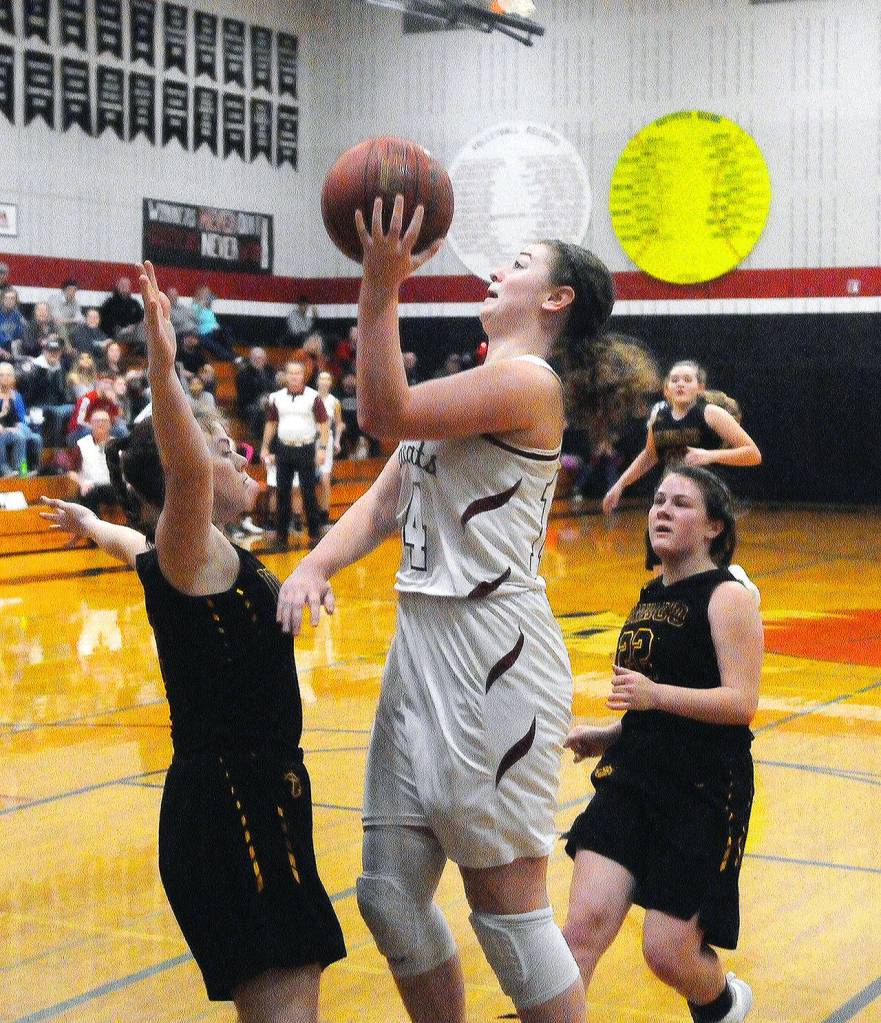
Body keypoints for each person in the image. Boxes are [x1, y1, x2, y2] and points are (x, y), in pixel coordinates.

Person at [275, 197, 656, 1023]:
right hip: (422, 647)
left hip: (494, 658)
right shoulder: (475, 386)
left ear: (556, 300)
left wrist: (380, 287)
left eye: (520, 261)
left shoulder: (526, 382)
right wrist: (314, 561)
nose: (499, 268)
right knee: (389, 897)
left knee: (509, 918)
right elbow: (384, 500)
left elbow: (384, 412)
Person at [39, 261, 345, 1020]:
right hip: (233, 801)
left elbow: (127, 538)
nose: (236, 453)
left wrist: (91, 523)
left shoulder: (176, 554)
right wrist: (164, 368)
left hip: (247, 797)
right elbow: (180, 473)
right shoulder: (192, 550)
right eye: (218, 446)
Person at [562, 466, 761, 1023]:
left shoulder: (728, 596)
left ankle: (722, 1005)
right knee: (577, 934)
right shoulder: (650, 596)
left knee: (667, 951)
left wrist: (653, 695)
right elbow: (652, 704)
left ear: (715, 527)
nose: (662, 512)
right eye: (657, 502)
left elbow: (740, 703)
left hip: (702, 789)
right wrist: (610, 735)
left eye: (681, 504)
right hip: (631, 781)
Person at [603, 360, 761, 515]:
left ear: (700, 388)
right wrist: (620, 485)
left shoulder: (711, 413)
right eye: (674, 380)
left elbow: (753, 454)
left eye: (687, 380)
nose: (680, 384)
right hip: (673, 496)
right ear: (666, 389)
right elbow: (649, 455)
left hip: (708, 497)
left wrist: (710, 455)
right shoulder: (659, 418)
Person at [260, 360, 329, 550]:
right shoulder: (276, 397)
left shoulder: (314, 397)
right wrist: (265, 446)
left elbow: (323, 424)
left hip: (306, 449)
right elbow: (271, 423)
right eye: (291, 373)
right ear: (286, 375)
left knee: (308, 493)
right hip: (283, 449)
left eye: (298, 373)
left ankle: (315, 535)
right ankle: (281, 537)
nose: (294, 376)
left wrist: (322, 448)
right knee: (282, 493)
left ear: (303, 375)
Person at [66, 409, 118, 514]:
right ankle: (93, 528)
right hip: (91, 487)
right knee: (90, 494)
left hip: (113, 487)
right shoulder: (81, 445)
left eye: (104, 421)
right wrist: (82, 484)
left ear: (110, 424)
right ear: (90, 424)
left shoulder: (117, 444)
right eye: (97, 421)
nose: (100, 424)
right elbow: (71, 472)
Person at [314, 370, 343, 527]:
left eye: (328, 379)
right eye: (322, 379)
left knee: (325, 479)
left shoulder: (334, 402)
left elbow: (339, 424)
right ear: (317, 381)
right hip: (310, 440)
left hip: (326, 441)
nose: (324, 382)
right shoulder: (311, 398)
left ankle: (324, 515)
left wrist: (337, 441)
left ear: (330, 383)